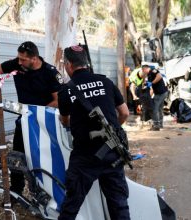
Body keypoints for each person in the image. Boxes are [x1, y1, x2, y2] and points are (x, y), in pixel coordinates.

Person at [0, 41, 62, 197]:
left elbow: (58, 101)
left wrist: (35, 112)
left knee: (43, 158)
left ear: (34, 58)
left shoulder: (50, 72)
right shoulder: (17, 65)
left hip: (44, 121)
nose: (19, 62)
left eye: (23, 59)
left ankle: (44, 193)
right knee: (16, 156)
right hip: (23, 120)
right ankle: (16, 191)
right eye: (19, 58)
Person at [57, 45, 130, 220]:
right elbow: (125, 113)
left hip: (85, 156)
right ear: (86, 62)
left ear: (68, 64)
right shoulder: (106, 82)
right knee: (119, 205)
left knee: (71, 206)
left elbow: (65, 120)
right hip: (112, 151)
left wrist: (67, 122)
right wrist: (113, 130)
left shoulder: (66, 91)